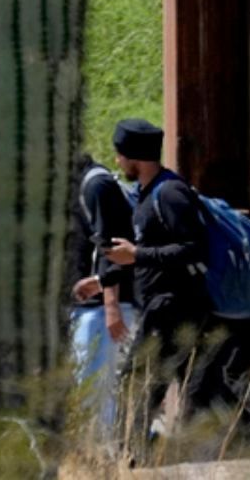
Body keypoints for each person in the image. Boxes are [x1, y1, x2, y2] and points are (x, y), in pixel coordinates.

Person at [103, 119, 230, 427]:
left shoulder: (171, 193)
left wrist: (136, 254)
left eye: (120, 154)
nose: (118, 161)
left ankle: (128, 462)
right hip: (166, 308)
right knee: (204, 393)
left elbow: (195, 249)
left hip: (174, 308)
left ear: (134, 156)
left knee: (137, 388)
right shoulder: (147, 193)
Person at [67, 150, 141, 433]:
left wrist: (111, 307)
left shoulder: (96, 186)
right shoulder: (79, 187)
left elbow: (111, 248)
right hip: (85, 308)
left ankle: (102, 456)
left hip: (101, 309)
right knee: (87, 386)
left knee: (95, 390)